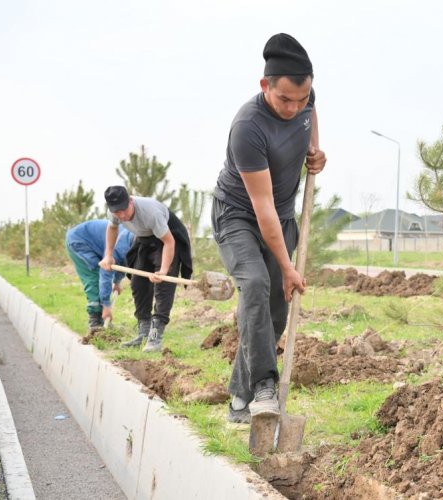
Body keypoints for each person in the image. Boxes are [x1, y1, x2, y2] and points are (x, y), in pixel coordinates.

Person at [211, 33, 326, 423]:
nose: (294, 107)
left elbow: (311, 117)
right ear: (265, 86)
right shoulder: (248, 126)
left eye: (301, 98)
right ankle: (264, 386)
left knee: (275, 310)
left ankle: (239, 401)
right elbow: (262, 208)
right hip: (239, 215)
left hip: (283, 215)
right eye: (284, 100)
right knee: (258, 284)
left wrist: (316, 151)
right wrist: (288, 266)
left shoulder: (306, 101)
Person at [99, 186, 193, 353]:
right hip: (144, 238)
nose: (121, 215)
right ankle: (143, 332)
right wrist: (108, 255)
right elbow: (112, 228)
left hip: (168, 238)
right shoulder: (114, 213)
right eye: (116, 212)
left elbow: (169, 242)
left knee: (163, 285)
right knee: (138, 283)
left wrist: (164, 270)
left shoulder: (151, 213)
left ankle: (155, 336)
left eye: (123, 210)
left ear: (131, 201)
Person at [65, 220, 134, 333]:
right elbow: (106, 272)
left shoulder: (133, 243)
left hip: (95, 243)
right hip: (79, 240)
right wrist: (107, 305)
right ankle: (95, 322)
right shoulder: (121, 245)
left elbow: (122, 264)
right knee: (94, 277)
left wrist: (116, 282)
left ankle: (102, 321)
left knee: (101, 278)